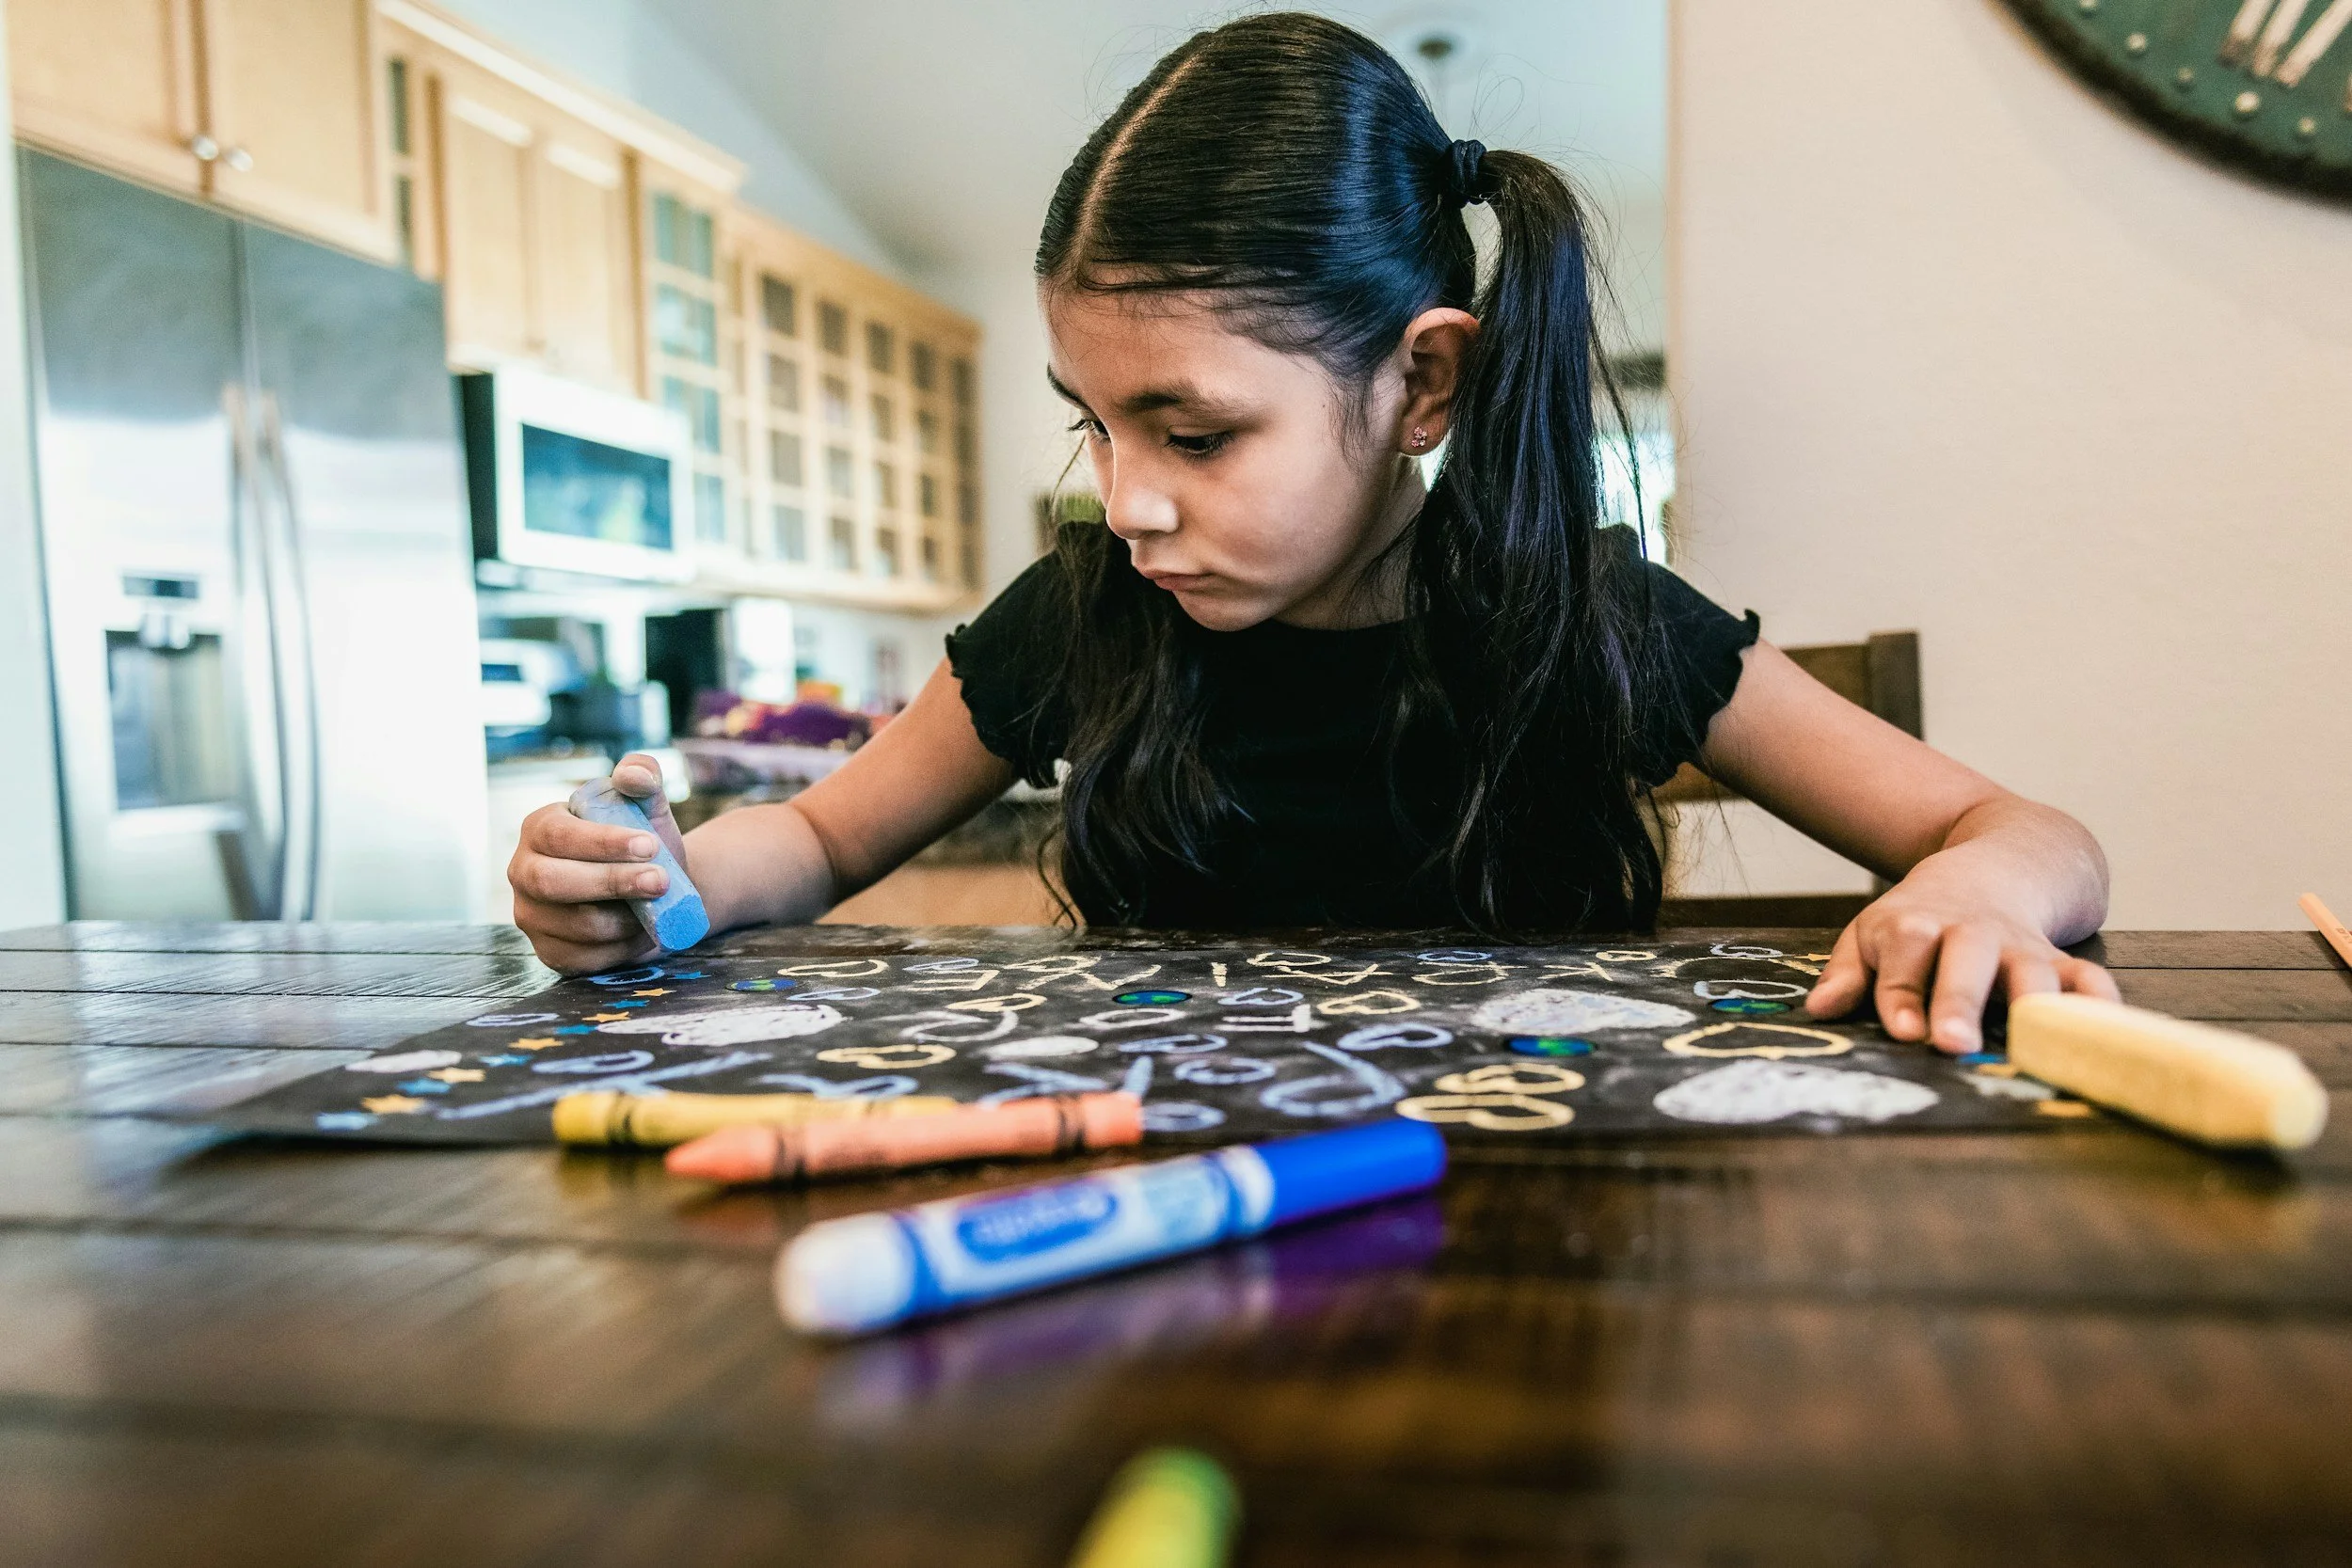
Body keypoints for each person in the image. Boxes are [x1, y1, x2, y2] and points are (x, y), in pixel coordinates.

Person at [508, 13, 2117, 1054]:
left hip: (1527, 1238)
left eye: (1195, 433)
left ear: (1423, 379)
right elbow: (814, 841)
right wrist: (659, 885)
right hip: (1156, 1219)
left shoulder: (1587, 615)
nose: (1124, 498)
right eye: (1097, 421)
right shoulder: (1080, 616)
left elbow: (2028, 832)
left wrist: (1982, 895)